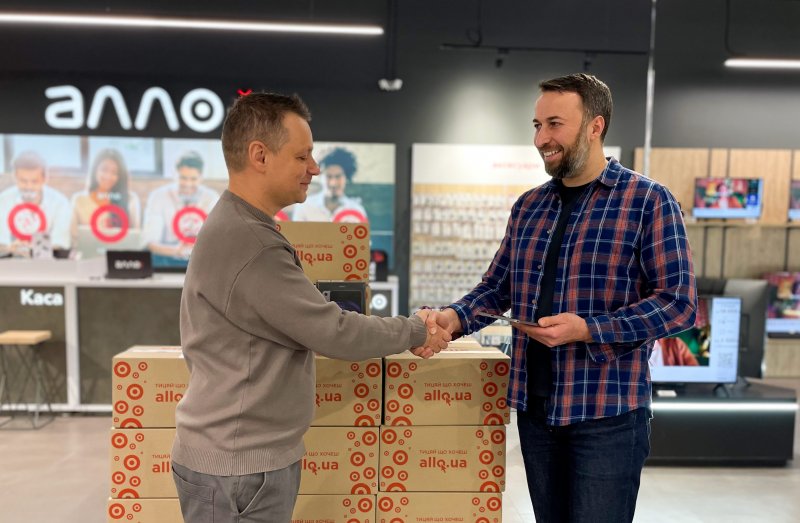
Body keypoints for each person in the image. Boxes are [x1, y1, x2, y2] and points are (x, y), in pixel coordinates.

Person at [428, 74, 697, 522]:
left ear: (595, 126)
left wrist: (589, 329)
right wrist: (453, 318)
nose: (541, 139)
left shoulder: (648, 201)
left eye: (554, 124)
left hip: (607, 415)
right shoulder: (529, 206)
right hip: (536, 410)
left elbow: (678, 303)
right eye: (537, 126)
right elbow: (497, 287)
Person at [170, 92, 450, 523]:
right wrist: (416, 328)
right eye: (302, 156)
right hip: (240, 469)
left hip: (238, 459)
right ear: (259, 156)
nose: (314, 168)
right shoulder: (252, 242)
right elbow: (334, 332)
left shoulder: (242, 227)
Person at [142, 151, 220, 264]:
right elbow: (150, 242)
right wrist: (176, 251)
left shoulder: (211, 198)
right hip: (166, 258)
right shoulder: (158, 196)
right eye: (183, 178)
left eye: (193, 179)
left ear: (201, 178)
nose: (188, 184)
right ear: (175, 175)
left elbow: (216, 240)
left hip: (201, 260)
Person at [0, 151, 71, 256]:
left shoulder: (60, 203)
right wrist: (10, 248)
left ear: (44, 179)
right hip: (10, 259)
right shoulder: (3, 200)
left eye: (34, 181)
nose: (29, 187)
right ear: (15, 177)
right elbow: (1, 241)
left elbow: (61, 244)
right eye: (23, 181)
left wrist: (36, 250)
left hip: (48, 261)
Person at [70, 148, 141, 246]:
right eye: (104, 169)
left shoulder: (131, 199)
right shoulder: (79, 199)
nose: (108, 176)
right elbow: (73, 238)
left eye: (114, 173)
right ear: (95, 170)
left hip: (120, 253)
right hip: (88, 253)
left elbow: (136, 237)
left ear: (120, 176)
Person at [292, 146, 368, 222]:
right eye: (328, 176)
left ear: (346, 177)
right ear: (320, 177)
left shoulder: (356, 210)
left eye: (338, 176)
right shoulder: (304, 206)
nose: (333, 183)